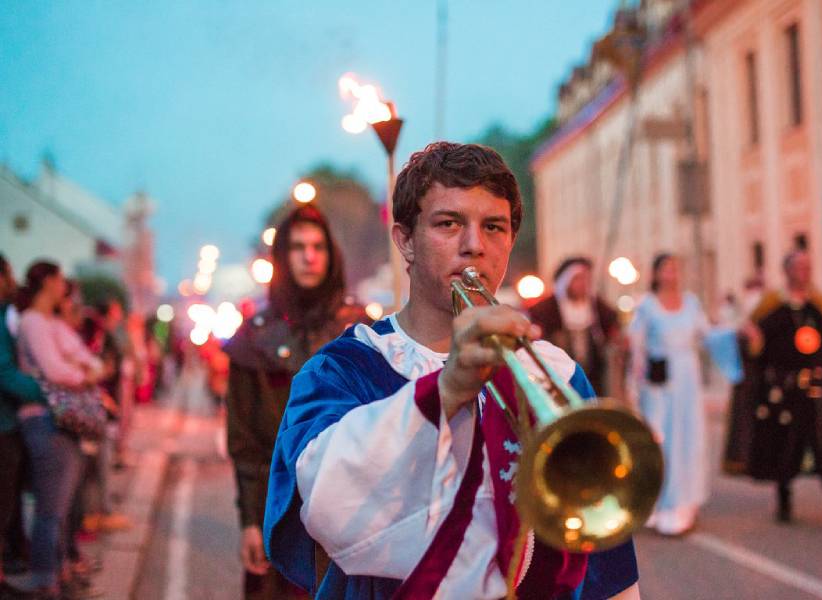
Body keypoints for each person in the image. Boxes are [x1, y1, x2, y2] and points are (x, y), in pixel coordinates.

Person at [264, 142, 640, 599]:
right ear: (405, 239)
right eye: (448, 223)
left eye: (494, 227)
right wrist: (446, 389)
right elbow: (327, 505)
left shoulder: (554, 372)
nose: (474, 246)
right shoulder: (344, 367)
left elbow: (602, 549)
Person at [224, 204, 366, 600]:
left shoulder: (360, 331)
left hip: (348, 516)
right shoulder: (254, 339)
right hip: (279, 511)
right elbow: (245, 443)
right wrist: (250, 521)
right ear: (283, 256)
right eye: (299, 246)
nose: (309, 255)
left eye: (318, 246)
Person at [743, 250, 822, 529]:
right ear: (787, 270)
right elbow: (756, 345)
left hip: (816, 389)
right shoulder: (773, 305)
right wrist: (753, 340)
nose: (805, 272)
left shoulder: (817, 304)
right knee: (787, 447)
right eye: (799, 267)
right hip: (785, 391)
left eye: (808, 267)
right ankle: (784, 498)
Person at [10, 262, 101, 599]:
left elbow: (84, 360)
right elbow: (54, 369)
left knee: (62, 506)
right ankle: (45, 580)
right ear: (48, 282)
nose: (65, 285)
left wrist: (81, 367)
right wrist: (83, 374)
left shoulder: (49, 322)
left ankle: (58, 574)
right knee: (51, 508)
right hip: (45, 419)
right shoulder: (33, 321)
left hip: (63, 420)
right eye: (61, 279)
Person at [628, 253, 710, 536]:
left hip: (688, 379)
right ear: (656, 273)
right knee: (659, 438)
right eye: (666, 269)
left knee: (688, 438)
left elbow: (707, 334)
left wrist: (738, 335)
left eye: (676, 269)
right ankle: (658, 502)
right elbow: (635, 344)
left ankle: (684, 502)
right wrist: (636, 379)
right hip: (659, 382)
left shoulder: (691, 303)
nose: (672, 274)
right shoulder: (647, 306)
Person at [0, 255, 46, 593]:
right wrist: (46, 392)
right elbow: (4, 371)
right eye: (8, 275)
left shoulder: (8, 316)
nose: (11, 283)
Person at [529, 256, 621, 396]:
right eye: (578, 278)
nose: (583, 284)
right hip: (559, 377)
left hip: (593, 377)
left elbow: (613, 331)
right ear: (566, 280)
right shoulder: (545, 309)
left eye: (586, 279)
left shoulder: (597, 307)